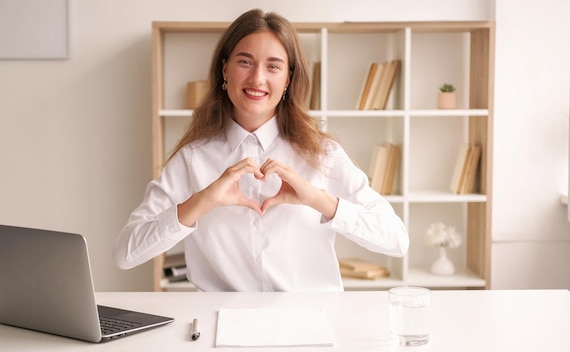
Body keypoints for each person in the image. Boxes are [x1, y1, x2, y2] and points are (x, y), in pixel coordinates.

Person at [113, 8, 408, 292]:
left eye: (273, 66)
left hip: (310, 322)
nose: (257, 78)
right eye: (245, 62)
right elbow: (126, 254)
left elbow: (397, 240)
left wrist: (318, 199)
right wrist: (202, 201)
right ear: (224, 69)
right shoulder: (192, 158)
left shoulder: (323, 154)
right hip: (223, 326)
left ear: (288, 80)